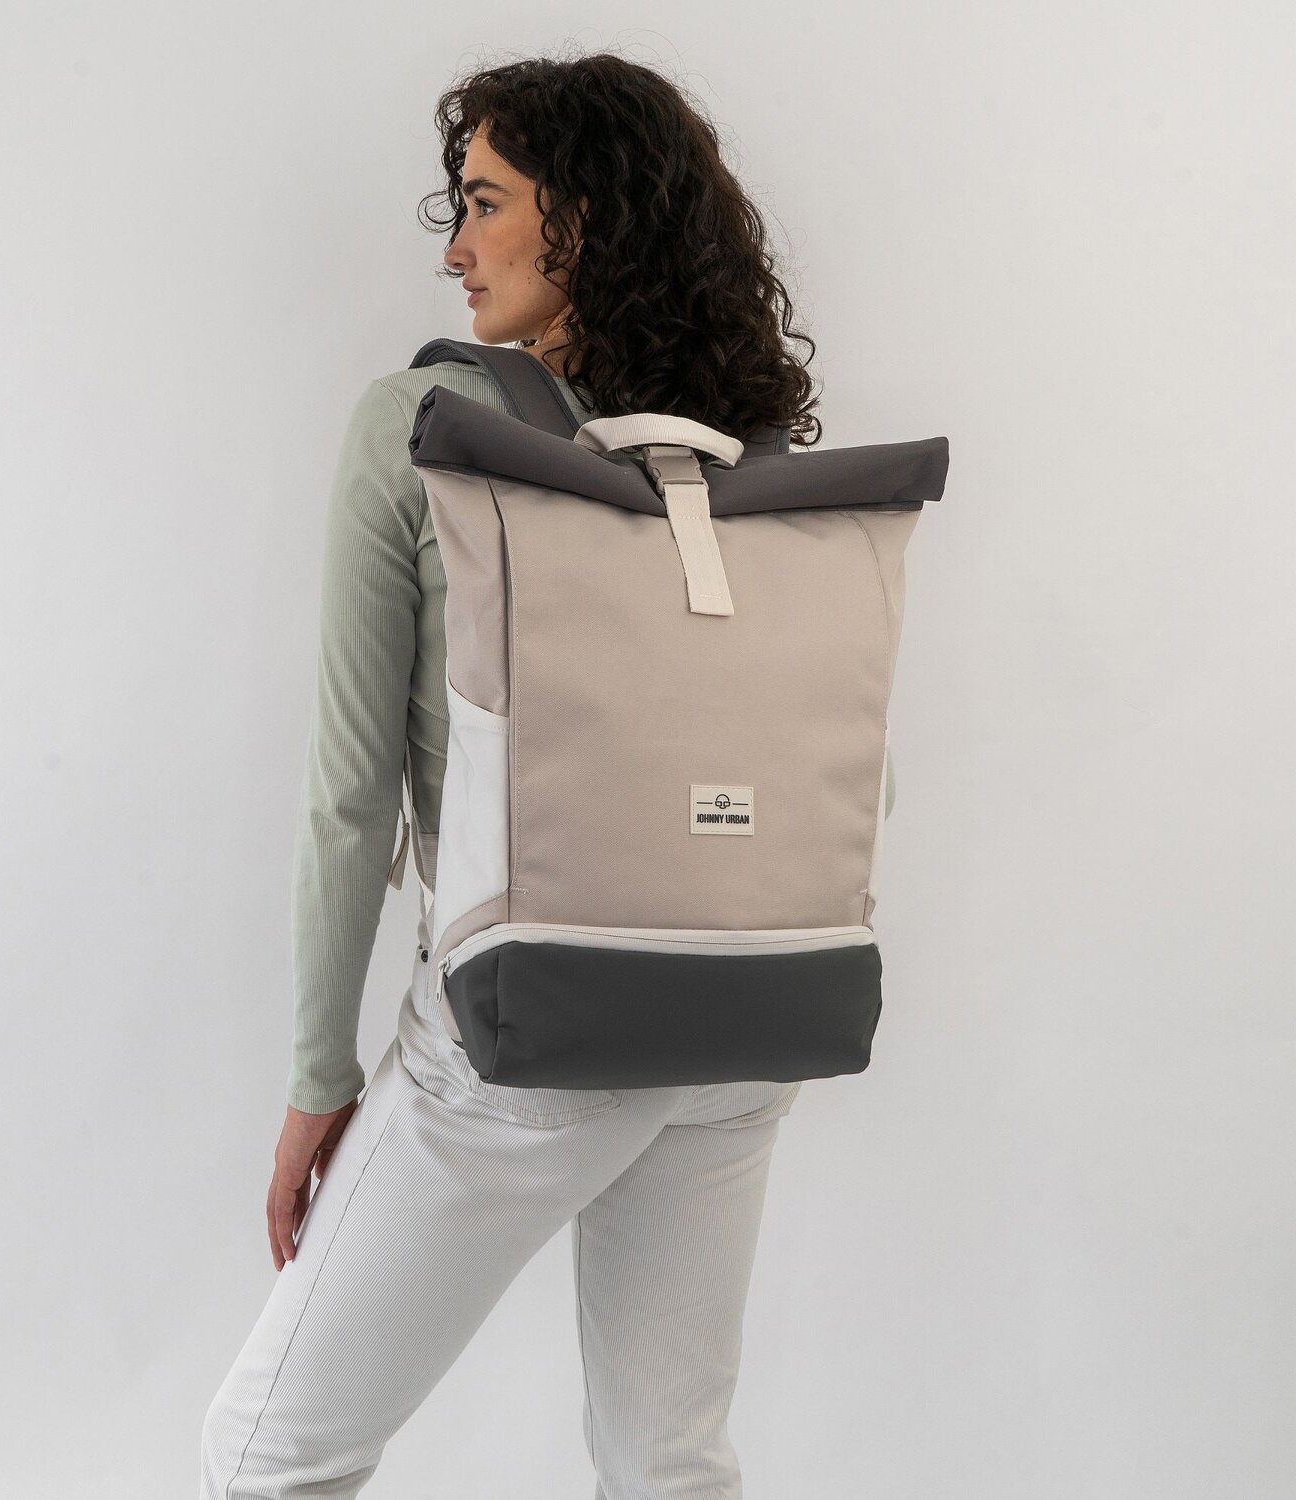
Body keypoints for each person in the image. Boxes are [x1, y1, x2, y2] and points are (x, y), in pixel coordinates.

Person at [200, 51, 894, 1499]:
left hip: (525, 1033)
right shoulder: (751, 456)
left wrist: (321, 1081)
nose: (454, 249)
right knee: (669, 1461)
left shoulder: (421, 427)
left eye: (485, 203)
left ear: (580, 215)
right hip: (749, 1021)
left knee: (267, 1451)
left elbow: (349, 796)